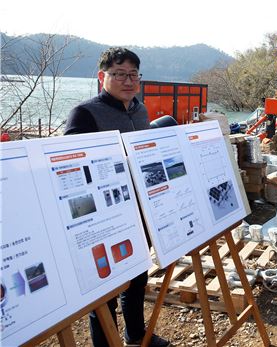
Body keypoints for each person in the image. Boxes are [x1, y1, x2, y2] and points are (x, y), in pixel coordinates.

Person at [65, 47, 170, 347]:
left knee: (137, 278)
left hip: (139, 212)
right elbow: (69, 171)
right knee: (106, 290)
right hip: (103, 219)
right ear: (102, 77)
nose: (128, 81)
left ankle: (135, 335)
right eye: (119, 74)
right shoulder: (84, 114)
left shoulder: (141, 110)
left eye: (133, 75)